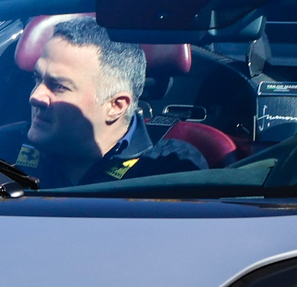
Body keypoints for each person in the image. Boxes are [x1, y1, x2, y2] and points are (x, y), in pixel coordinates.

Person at [18, 16, 208, 188]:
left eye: (59, 86)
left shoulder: (167, 168)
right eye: (37, 78)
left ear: (116, 106)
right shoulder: (2, 149)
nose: (35, 96)